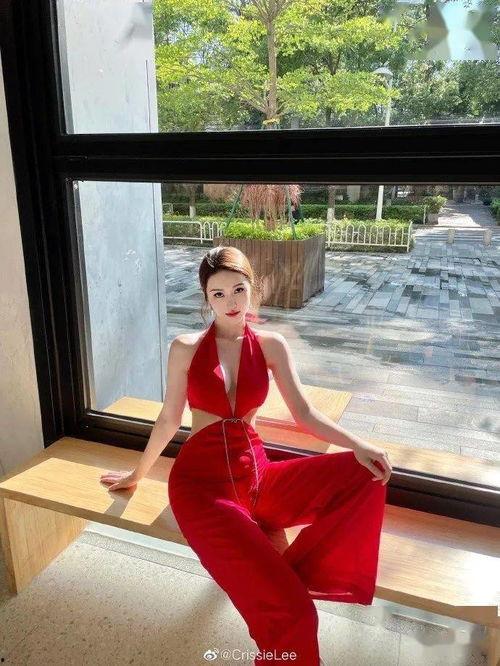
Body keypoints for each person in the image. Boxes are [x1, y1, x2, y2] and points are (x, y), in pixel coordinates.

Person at [100, 246, 391, 665]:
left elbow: (305, 413)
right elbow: (169, 419)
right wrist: (138, 473)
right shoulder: (185, 347)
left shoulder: (271, 345)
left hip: (258, 478)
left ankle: (296, 572)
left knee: (366, 471)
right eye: (217, 294)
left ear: (254, 287)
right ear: (206, 298)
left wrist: (358, 444)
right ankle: (284, 587)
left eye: (238, 289)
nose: (231, 302)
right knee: (295, 615)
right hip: (203, 491)